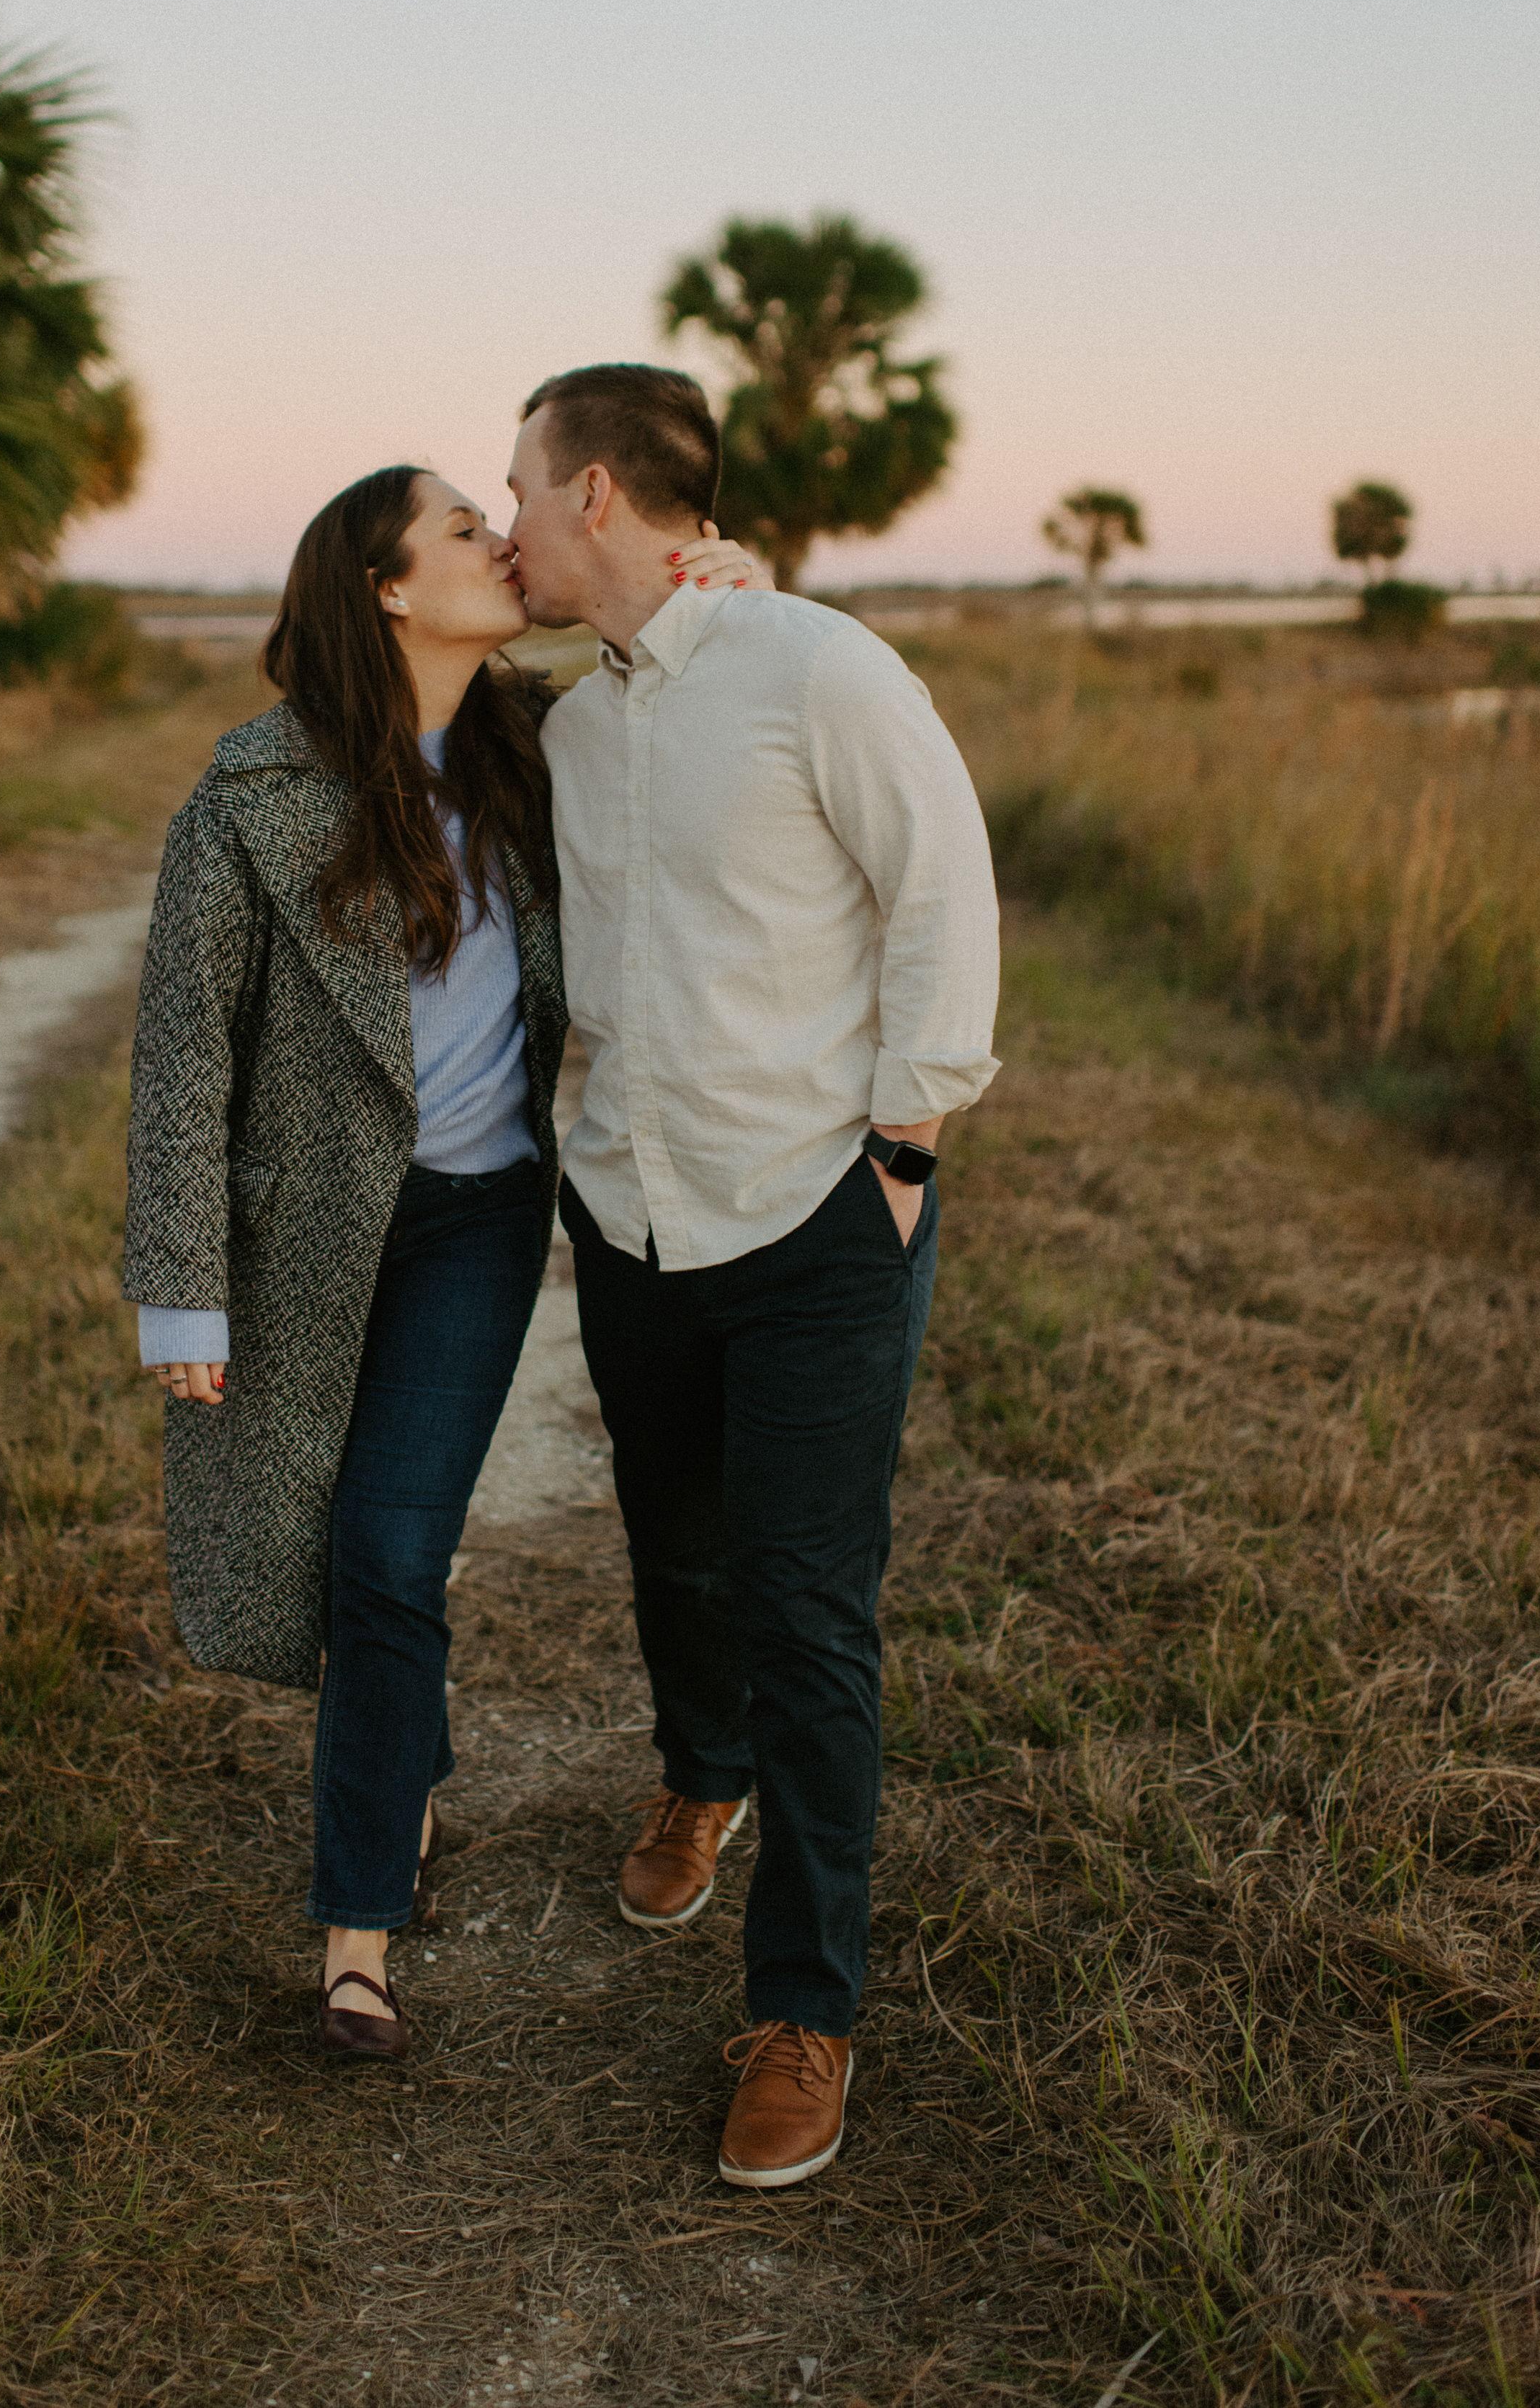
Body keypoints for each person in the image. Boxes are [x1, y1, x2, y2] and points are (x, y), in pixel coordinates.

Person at [120, 461, 759, 2061]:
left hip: (478, 1217)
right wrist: (180, 1285)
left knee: (388, 1553)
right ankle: (401, 1768)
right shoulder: (250, 795)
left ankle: (356, 1940)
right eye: (465, 527)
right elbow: (184, 1051)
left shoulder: (542, 746)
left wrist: (728, 597)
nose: (500, 540)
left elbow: (689, 702)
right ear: (389, 587)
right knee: (321, 1546)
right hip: (303, 1225)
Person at [502, 362, 1004, 2190]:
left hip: (813, 1217)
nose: (506, 520)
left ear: (600, 492)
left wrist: (903, 1150)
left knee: (806, 1604)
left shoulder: (818, 669)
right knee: (677, 1543)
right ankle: (696, 1770)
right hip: (631, 1211)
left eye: (520, 487)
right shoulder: (568, 718)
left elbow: (943, 889)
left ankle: (805, 2008)